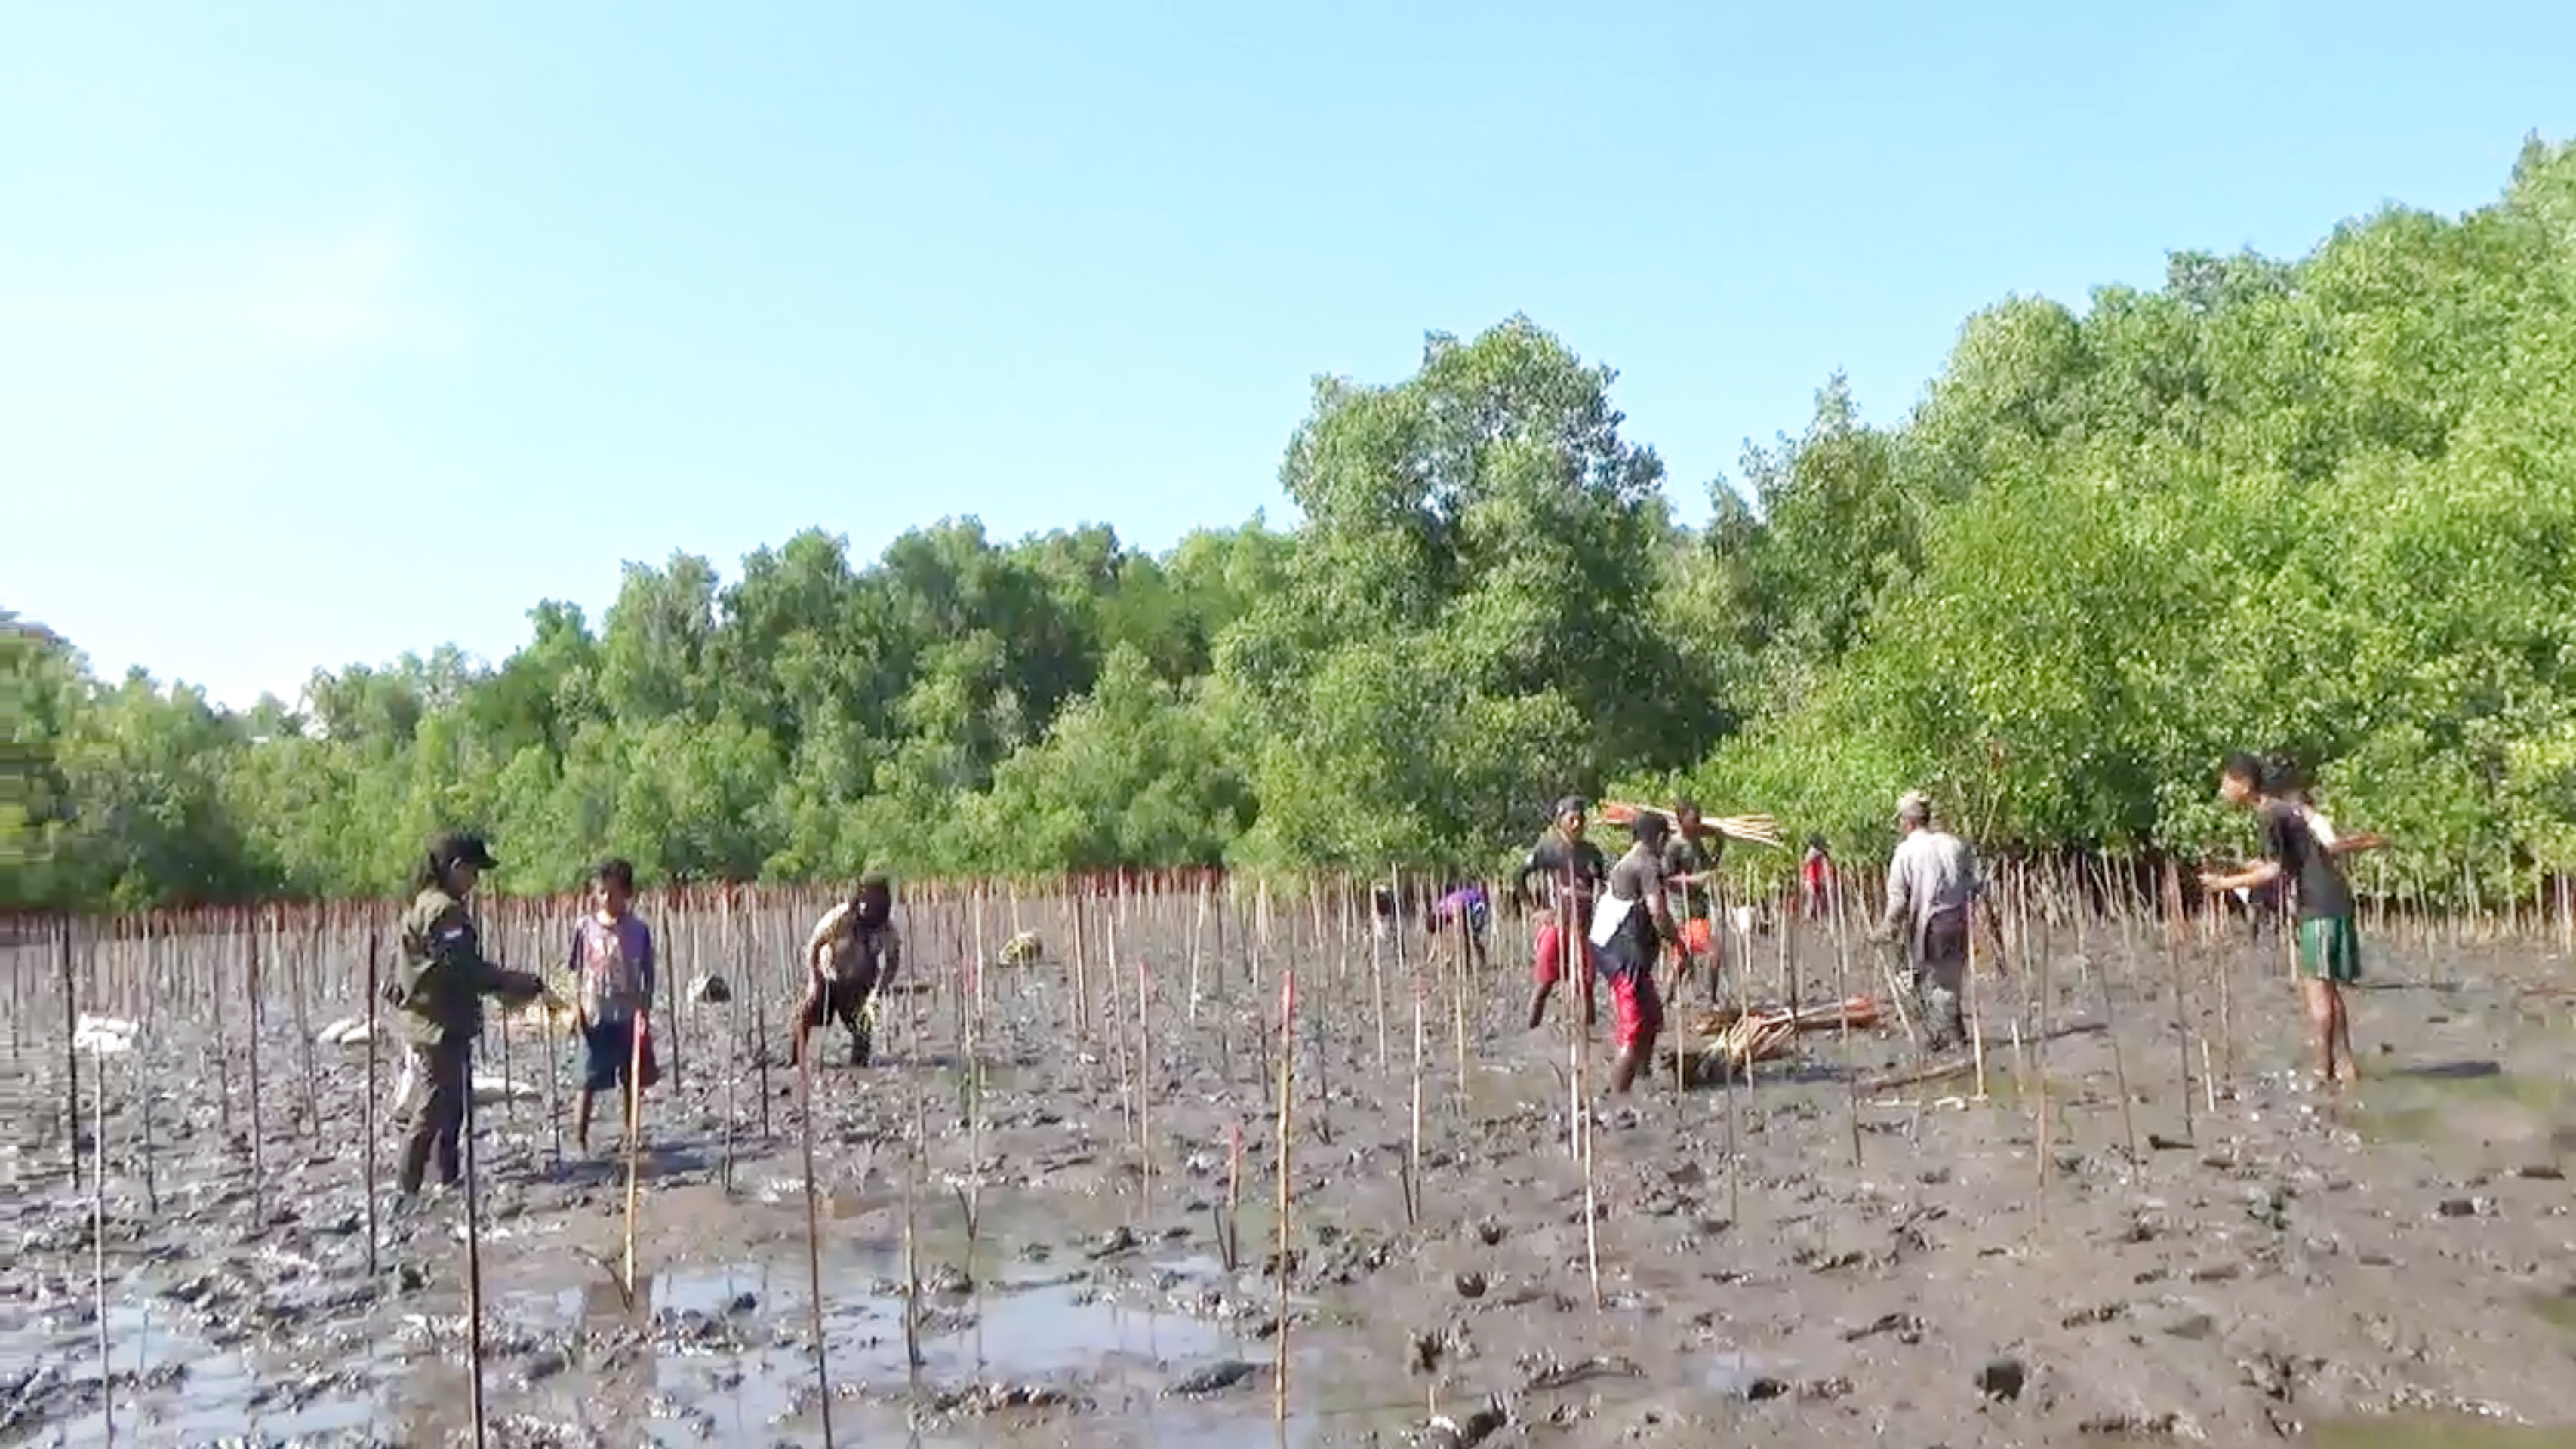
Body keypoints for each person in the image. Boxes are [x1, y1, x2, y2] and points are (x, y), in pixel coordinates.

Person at [2199, 753, 2386, 1085]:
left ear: (2243, 785)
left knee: (2316, 988)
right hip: (2332, 899)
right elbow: (2295, 860)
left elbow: (2274, 871)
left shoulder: (2269, 815)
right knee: (2328, 988)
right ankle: (2345, 1068)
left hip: (2317, 904)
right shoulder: (2285, 811)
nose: (2223, 789)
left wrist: (2223, 884)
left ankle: (2321, 1071)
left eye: (2226, 782)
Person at [388, 832, 548, 1200]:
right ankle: (408, 1191)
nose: (476, 882)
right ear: (457, 868)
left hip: (434, 1019)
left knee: (452, 1107)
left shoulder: (422, 903)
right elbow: (464, 969)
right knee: (434, 1107)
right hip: (438, 1025)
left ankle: (448, 1180)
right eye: (474, 873)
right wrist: (518, 983)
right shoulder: (444, 910)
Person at [1867, 792, 1999, 1054]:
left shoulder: (1905, 852)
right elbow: (1977, 883)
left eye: (1901, 822)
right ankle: (1948, 1034)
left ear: (1909, 822)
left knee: (1932, 984)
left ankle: (1951, 1041)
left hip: (1930, 928)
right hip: (1958, 923)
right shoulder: (1955, 845)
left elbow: (1898, 899)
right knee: (1948, 981)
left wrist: (1884, 928)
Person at [568, 858, 657, 1155]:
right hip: (595, 1013)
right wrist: (576, 1007)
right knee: (587, 1079)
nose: (607, 899)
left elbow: (648, 975)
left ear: (627, 893)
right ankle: (579, 1138)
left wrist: (644, 1011)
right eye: (601, 892)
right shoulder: (585, 927)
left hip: (627, 1014)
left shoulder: (638, 931)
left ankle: (632, 1134)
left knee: (631, 1077)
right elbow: (575, 971)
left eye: (613, 893)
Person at [1596, 811, 1677, 1093]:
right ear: (1660, 838)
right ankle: (1618, 1098)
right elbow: (1658, 913)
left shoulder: (1632, 862)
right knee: (1633, 1029)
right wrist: (1678, 945)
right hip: (1621, 953)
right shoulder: (1645, 863)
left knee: (1653, 1017)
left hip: (1623, 950)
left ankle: (1642, 1077)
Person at [1513, 798, 1608, 1031]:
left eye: (1581, 819)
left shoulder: (1592, 853)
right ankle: (1531, 1031)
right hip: (1556, 927)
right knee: (1544, 984)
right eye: (1572, 819)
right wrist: (1535, 910)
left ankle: (1588, 1039)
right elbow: (1519, 876)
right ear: (1560, 821)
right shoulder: (1548, 849)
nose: (1577, 824)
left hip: (1584, 928)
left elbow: (1603, 884)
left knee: (1586, 986)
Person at [796, 873, 903, 1069]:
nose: (869, 906)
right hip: (828, 976)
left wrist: (877, 992)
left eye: (876, 900)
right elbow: (814, 945)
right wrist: (814, 980)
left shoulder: (886, 929)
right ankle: (797, 1062)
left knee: (863, 1031)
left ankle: (858, 1067)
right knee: (806, 1015)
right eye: (867, 899)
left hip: (858, 984)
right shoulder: (840, 917)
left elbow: (892, 962)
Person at [1660, 798, 1722, 998]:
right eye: (1694, 819)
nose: (1698, 823)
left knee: (1683, 956)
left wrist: (1719, 845)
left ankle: (1668, 997)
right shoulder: (1674, 846)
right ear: (1681, 820)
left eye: (1699, 819)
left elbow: (1709, 867)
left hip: (1696, 906)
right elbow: (1667, 877)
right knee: (1711, 951)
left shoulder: (1695, 843)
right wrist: (1693, 880)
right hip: (1680, 908)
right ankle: (1711, 998)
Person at [1422, 881, 1491, 973]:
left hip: (1477, 905)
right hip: (1465, 908)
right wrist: (1429, 960)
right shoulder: (1440, 909)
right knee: (1467, 936)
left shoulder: (1453, 908)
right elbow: (1437, 938)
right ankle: (1469, 964)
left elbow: (1460, 937)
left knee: (1470, 936)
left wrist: (1449, 958)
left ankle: (1473, 964)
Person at [1800, 835, 1837, 921]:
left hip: (1817, 879)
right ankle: (1808, 915)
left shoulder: (1820, 853)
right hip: (1810, 879)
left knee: (1819, 897)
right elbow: (1806, 862)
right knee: (1811, 896)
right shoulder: (1812, 851)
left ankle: (1817, 916)